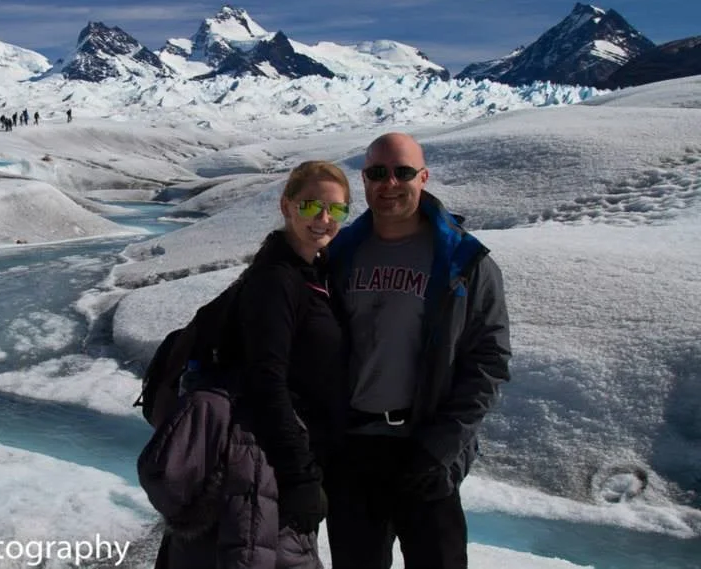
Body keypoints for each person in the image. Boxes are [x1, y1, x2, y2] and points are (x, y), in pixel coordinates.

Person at [325, 132, 511, 569]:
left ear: (423, 178)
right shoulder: (339, 254)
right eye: (377, 172)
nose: (389, 183)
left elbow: (488, 361)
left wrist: (439, 448)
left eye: (402, 172)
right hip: (353, 452)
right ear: (364, 180)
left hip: (426, 449)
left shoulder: (464, 261)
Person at [153, 160, 351, 569]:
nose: (324, 218)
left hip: (276, 460)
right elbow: (267, 381)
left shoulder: (310, 272)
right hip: (261, 467)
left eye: (336, 209)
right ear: (286, 206)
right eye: (311, 206)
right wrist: (299, 475)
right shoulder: (277, 281)